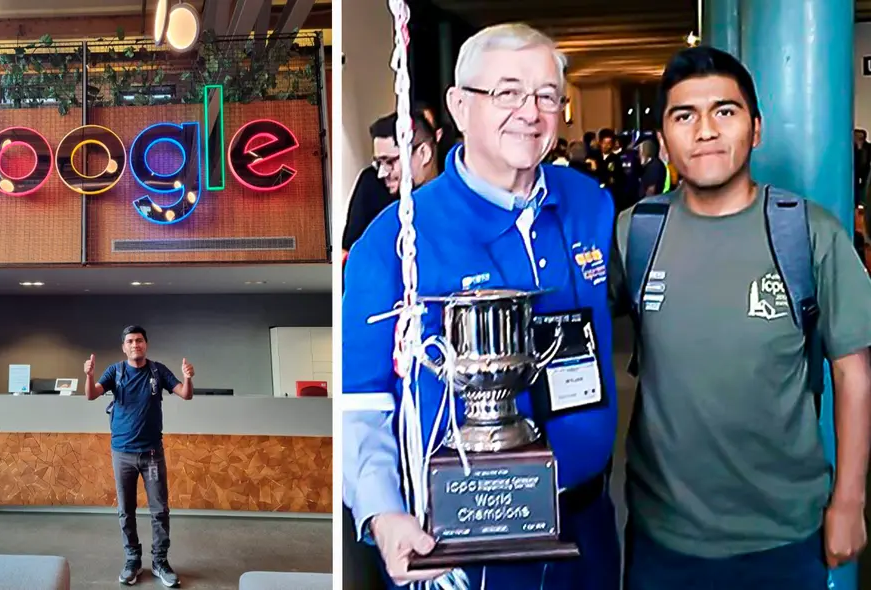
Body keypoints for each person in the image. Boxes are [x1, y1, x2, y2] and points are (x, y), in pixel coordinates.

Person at [342, 23, 620, 590]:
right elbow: (359, 402)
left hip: (585, 526)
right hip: (459, 541)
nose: (531, 111)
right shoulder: (396, 239)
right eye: (508, 92)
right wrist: (382, 514)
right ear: (459, 106)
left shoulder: (591, 206)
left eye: (547, 95)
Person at [611, 46, 871, 590]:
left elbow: (853, 373)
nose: (705, 130)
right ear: (663, 142)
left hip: (783, 534)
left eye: (724, 112)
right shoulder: (635, 233)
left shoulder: (809, 234)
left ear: (755, 130)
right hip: (664, 536)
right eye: (684, 116)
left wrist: (849, 500)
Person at [84, 325, 195, 587]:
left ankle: (160, 561)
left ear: (146, 344)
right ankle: (133, 559)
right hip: (122, 453)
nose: (136, 345)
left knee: (160, 510)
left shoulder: (158, 371)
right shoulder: (116, 371)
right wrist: (88, 375)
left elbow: (185, 394)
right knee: (126, 511)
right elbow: (91, 395)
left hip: (152, 454)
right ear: (124, 347)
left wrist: (188, 378)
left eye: (140, 341)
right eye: (131, 341)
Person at [341, 111, 440, 255]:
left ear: (424, 153)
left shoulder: (450, 198)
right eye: (378, 163)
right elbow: (346, 252)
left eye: (390, 161)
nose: (382, 173)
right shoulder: (371, 184)